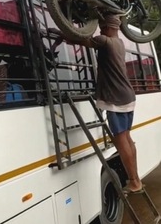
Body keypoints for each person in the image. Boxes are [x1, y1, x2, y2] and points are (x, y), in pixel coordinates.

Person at [51, 15, 142, 194]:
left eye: (101, 25)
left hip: (115, 98)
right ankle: (136, 178)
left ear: (108, 27)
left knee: (121, 139)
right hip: (128, 96)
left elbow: (78, 39)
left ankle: (134, 181)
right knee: (128, 138)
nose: (99, 28)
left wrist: (60, 33)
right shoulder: (119, 42)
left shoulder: (104, 40)